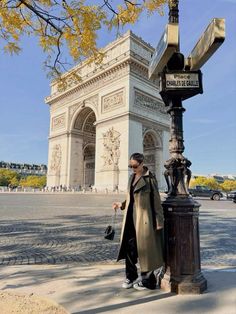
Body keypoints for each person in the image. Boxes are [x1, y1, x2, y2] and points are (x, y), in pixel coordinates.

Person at [112, 152, 164, 291]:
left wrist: (159, 221)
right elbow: (130, 198)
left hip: (144, 220)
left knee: (145, 250)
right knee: (129, 248)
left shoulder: (150, 179)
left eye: (134, 166)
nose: (132, 168)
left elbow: (157, 201)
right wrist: (121, 205)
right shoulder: (131, 178)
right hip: (129, 218)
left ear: (142, 164)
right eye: (130, 166)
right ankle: (131, 276)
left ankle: (148, 281)